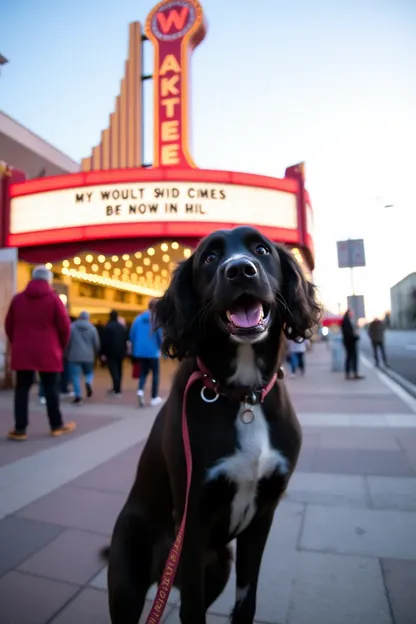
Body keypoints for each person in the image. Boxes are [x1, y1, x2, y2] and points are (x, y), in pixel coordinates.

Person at [5, 265, 76, 441]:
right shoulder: (54, 299)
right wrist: (59, 346)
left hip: (23, 352)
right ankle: (56, 425)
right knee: (51, 389)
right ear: (48, 280)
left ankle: (20, 429)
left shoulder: (18, 299)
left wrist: (18, 343)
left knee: (22, 389)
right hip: (48, 351)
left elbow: (9, 325)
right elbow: (64, 327)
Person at [130, 299, 163, 407]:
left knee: (143, 373)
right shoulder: (156, 320)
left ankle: (140, 390)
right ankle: (154, 397)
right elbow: (160, 337)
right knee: (155, 374)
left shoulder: (138, 319)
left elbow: (132, 335)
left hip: (140, 352)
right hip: (153, 352)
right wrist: (161, 349)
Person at [66, 311, 100, 404]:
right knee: (89, 373)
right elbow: (96, 343)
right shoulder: (92, 328)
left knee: (75, 376)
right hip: (88, 355)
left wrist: (66, 353)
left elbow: (67, 341)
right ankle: (88, 382)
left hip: (74, 355)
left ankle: (78, 396)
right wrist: (96, 354)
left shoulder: (71, 327)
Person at [102, 310, 128, 396]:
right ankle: (117, 388)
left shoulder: (108, 327)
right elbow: (125, 340)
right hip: (120, 352)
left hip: (111, 352)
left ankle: (116, 389)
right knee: (119, 370)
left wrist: (103, 353)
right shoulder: (121, 327)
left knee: (113, 371)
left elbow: (104, 341)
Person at [341, 309, 364, 380]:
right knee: (351, 358)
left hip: (349, 342)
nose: (352, 314)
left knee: (350, 358)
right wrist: (356, 337)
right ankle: (352, 373)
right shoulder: (346, 321)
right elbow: (349, 333)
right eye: (351, 313)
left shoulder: (347, 321)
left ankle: (352, 373)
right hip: (350, 343)